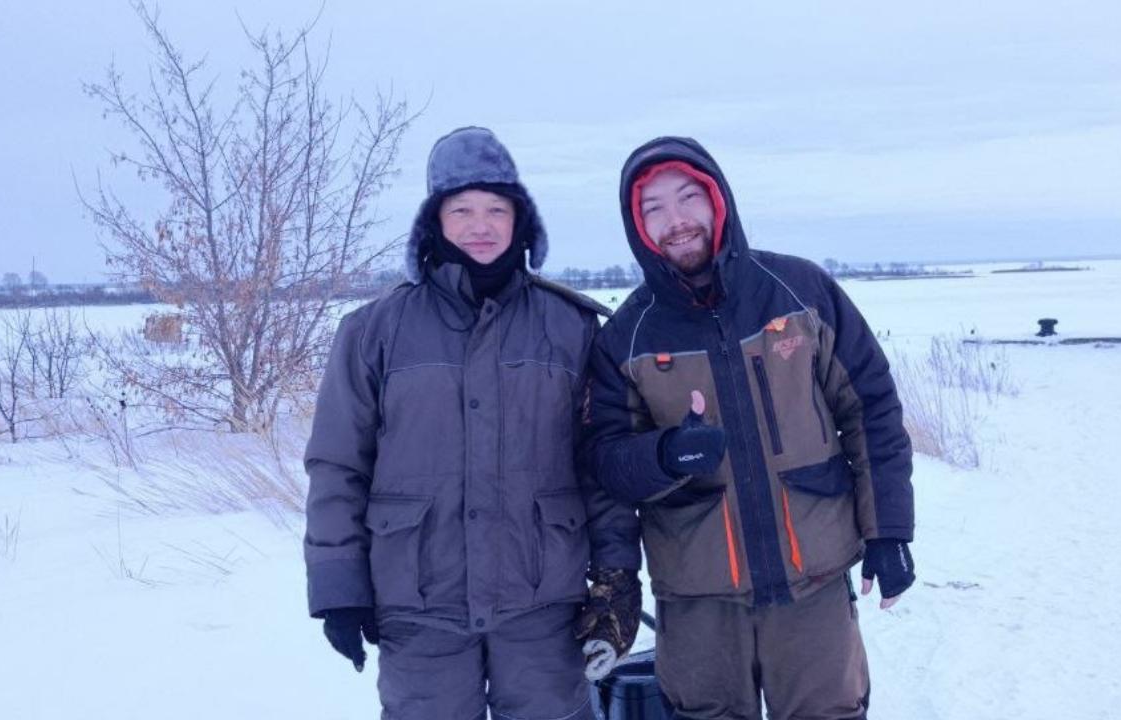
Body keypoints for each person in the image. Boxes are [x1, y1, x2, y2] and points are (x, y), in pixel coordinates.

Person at [303, 126, 641, 720]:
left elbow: (599, 464)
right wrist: (338, 588)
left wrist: (616, 577)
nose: (479, 225)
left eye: (495, 208)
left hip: (543, 607)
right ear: (434, 220)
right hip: (419, 606)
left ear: (521, 219)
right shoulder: (373, 331)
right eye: (461, 209)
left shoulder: (570, 327)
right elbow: (338, 466)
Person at [582, 136, 916, 719]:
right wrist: (665, 455)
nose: (676, 221)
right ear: (637, 226)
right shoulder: (626, 337)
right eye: (653, 208)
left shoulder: (801, 292)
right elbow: (605, 462)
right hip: (696, 601)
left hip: (812, 587)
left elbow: (871, 409)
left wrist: (888, 529)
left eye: (688, 198)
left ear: (718, 201)